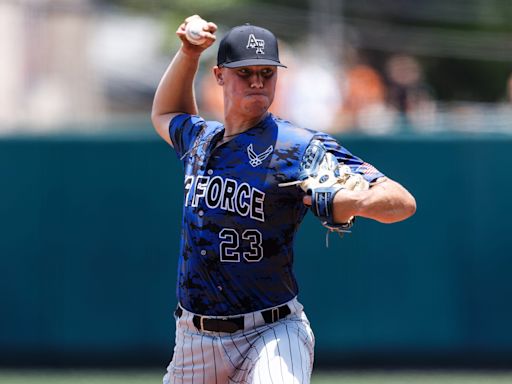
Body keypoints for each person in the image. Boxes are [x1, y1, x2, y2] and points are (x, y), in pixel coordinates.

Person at [151, 15, 416, 384]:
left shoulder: (296, 146)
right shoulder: (199, 140)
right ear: (220, 76)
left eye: (267, 72)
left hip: (272, 330)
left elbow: (401, 201)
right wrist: (188, 52)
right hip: (194, 338)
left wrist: (351, 202)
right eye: (246, 72)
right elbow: (166, 113)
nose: (258, 81)